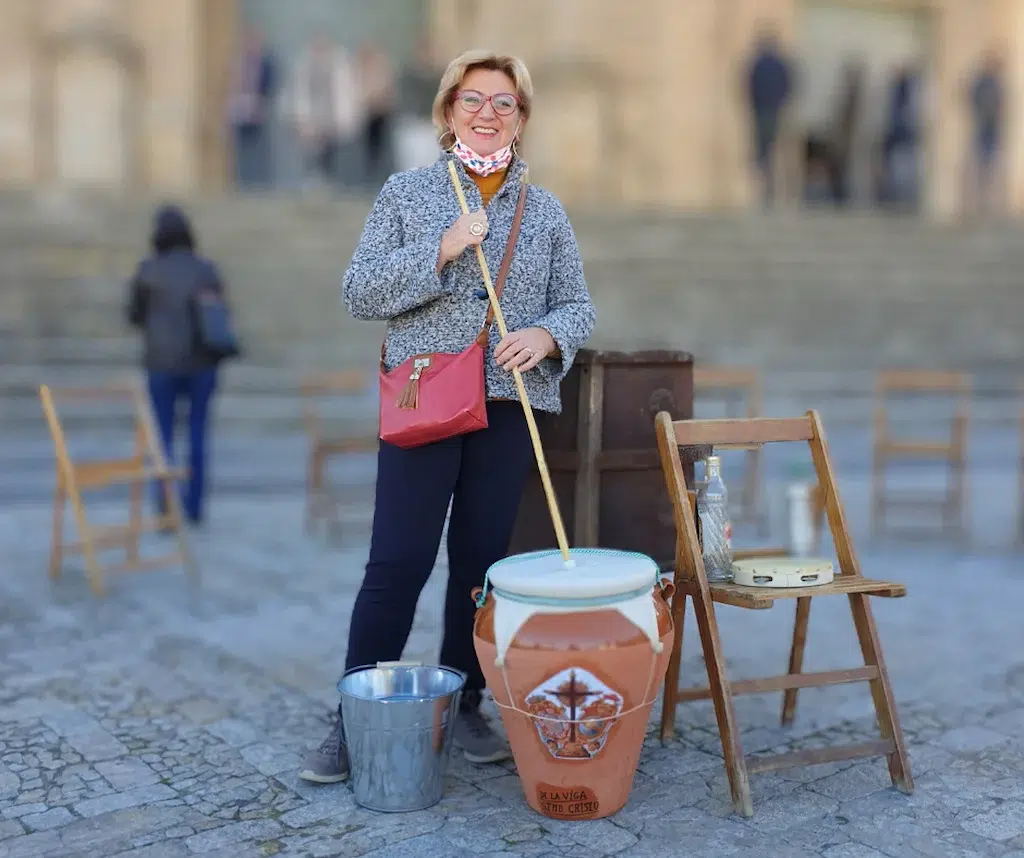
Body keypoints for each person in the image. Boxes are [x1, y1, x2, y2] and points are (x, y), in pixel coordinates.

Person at [299, 48, 596, 784]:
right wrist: (441, 248)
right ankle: (352, 714)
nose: (487, 114)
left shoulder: (547, 210)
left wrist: (549, 333)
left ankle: (462, 703)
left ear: (522, 119)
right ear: (446, 110)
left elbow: (579, 303)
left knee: (479, 570)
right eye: (472, 100)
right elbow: (359, 291)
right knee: (397, 562)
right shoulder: (406, 194)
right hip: (426, 400)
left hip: (504, 406)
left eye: (504, 102)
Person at [126, 205, 229, 526]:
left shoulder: (147, 270)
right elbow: (221, 313)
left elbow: (134, 315)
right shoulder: (205, 269)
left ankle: (166, 506)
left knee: (163, 437)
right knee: (198, 433)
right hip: (202, 362)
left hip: (161, 363)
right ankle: (195, 507)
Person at [287, 35, 364, 189]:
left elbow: (348, 92)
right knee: (311, 152)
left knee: (331, 153)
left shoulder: (341, 66)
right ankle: (313, 182)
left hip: (332, 118)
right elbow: (298, 93)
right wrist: (300, 118)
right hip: (311, 118)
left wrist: (350, 114)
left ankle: (332, 182)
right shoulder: (304, 67)